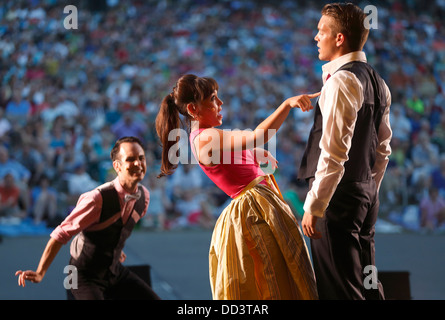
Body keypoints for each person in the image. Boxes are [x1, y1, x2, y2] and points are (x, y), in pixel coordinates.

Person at [155, 74, 319, 300]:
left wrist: (252, 155)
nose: (220, 103)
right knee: (275, 279)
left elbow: (241, 152)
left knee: (279, 275)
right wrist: (287, 104)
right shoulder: (204, 137)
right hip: (254, 210)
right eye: (213, 98)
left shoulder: (205, 136)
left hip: (258, 205)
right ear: (193, 109)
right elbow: (259, 136)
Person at [298, 3, 392, 300]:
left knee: (340, 290)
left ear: (339, 38)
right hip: (364, 196)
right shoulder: (379, 82)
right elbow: (383, 150)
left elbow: (334, 154)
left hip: (336, 200)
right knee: (367, 283)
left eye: (321, 31)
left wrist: (315, 205)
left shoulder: (341, 81)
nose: (316, 37)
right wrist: (369, 190)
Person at [15, 136, 160, 300]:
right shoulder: (96, 199)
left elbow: (116, 226)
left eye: (141, 158)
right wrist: (40, 272)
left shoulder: (143, 197)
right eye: (130, 159)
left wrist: (114, 246)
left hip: (114, 270)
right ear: (117, 166)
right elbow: (60, 234)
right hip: (81, 275)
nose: (138, 164)